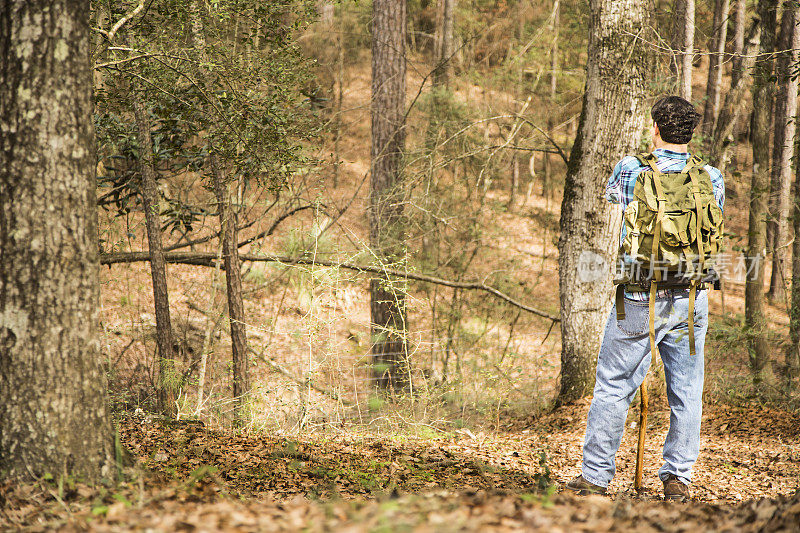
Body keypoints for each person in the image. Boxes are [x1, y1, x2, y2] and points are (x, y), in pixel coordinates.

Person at [565, 96, 725, 502]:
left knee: (613, 386)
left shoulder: (630, 169)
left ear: (655, 127)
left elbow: (614, 202)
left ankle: (596, 477)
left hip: (638, 295)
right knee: (687, 391)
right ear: (691, 132)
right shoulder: (711, 177)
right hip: (690, 298)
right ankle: (677, 479)